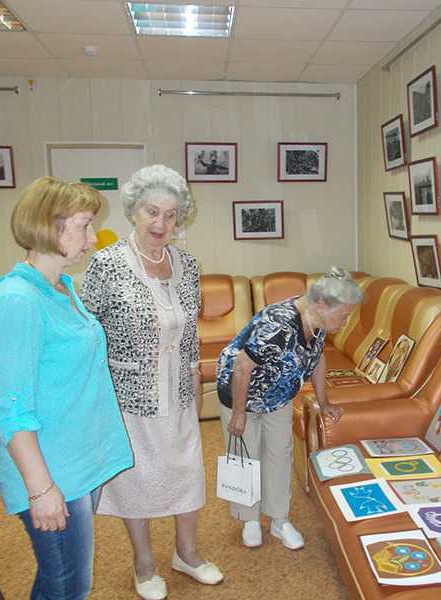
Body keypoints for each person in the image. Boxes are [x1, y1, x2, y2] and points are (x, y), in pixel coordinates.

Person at [0, 176, 133, 599]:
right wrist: (41, 489)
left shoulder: (61, 287)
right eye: (85, 226)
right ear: (51, 226)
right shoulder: (18, 299)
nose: (92, 238)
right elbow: (12, 410)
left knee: (61, 581)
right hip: (52, 472)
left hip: (79, 460)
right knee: (68, 586)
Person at [80, 164, 222, 600]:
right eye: (152, 212)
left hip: (179, 390)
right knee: (136, 479)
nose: (161, 223)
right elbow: (87, 331)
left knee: (186, 472)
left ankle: (187, 553)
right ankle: (143, 563)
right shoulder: (107, 264)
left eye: (171, 214)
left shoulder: (188, 265)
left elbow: (190, 331)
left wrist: (195, 379)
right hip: (129, 394)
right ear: (134, 212)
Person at [216, 267, 364, 549]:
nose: (346, 322)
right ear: (322, 304)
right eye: (344, 316)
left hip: (278, 394)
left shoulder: (317, 319)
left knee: (279, 453)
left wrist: (324, 402)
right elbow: (242, 366)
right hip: (241, 392)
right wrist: (238, 413)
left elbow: (317, 359)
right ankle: (249, 520)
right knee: (246, 455)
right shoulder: (278, 324)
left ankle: (279, 520)